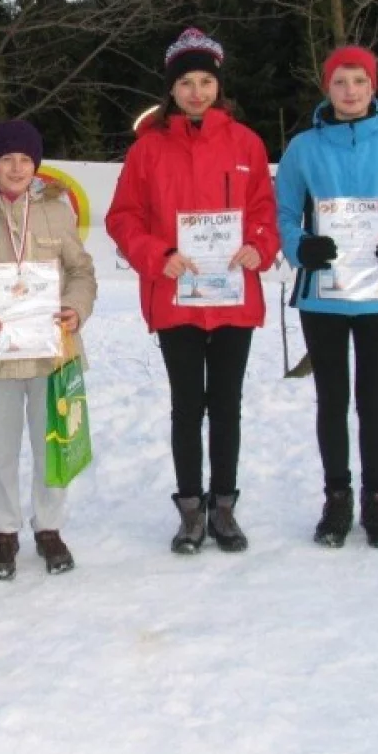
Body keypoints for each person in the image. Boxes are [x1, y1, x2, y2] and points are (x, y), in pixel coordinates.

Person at [106, 27, 279, 556]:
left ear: (219, 85)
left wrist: (258, 245)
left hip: (231, 297)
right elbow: (123, 217)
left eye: (206, 81)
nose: (197, 91)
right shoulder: (149, 149)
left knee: (226, 404)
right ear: (172, 89)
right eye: (186, 82)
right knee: (187, 406)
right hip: (176, 296)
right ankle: (189, 511)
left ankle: (223, 506)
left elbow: (265, 213)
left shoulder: (246, 143)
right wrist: (158, 255)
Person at [276, 45, 378, 549]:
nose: (350, 92)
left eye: (359, 82)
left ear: (373, 87)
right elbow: (282, 215)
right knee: (332, 399)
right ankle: (337, 499)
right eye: (341, 82)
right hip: (323, 295)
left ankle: (377, 501)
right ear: (328, 88)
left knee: (372, 399)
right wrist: (301, 245)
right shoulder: (303, 148)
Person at [0, 120, 97, 580]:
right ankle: (4, 533)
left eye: (25, 160)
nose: (16, 168)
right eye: (7, 159)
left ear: (36, 166)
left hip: (53, 351)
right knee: (1, 448)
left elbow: (82, 272)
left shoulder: (58, 212)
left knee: (53, 442)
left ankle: (49, 527)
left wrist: (74, 308)